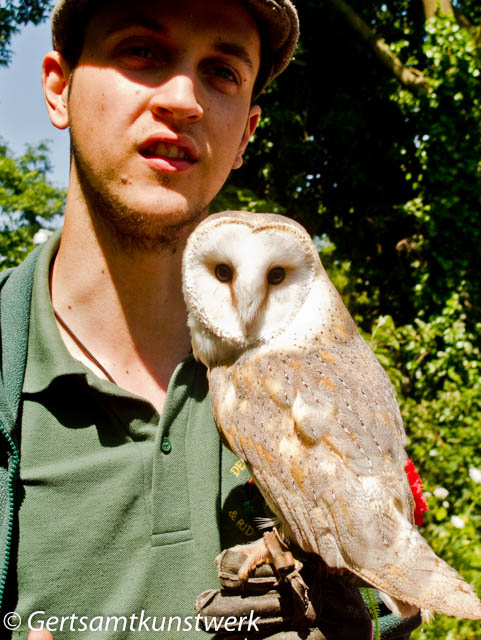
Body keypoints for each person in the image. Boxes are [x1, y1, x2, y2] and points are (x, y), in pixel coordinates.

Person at [0, 1, 420, 638]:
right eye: (142, 50)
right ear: (58, 88)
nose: (183, 99)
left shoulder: (319, 384)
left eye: (221, 70)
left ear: (247, 134)